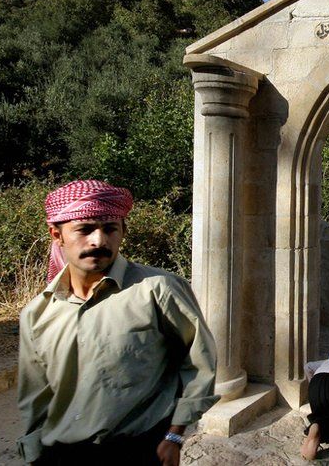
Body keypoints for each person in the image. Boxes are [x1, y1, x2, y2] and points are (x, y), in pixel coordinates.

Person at [17, 180, 218, 466]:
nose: (99, 240)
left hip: (138, 449)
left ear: (123, 231)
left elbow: (198, 361)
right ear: (57, 235)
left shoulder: (158, 290)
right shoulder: (37, 313)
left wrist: (174, 435)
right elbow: (35, 396)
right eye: (85, 229)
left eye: (110, 228)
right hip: (60, 453)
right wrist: (34, 455)